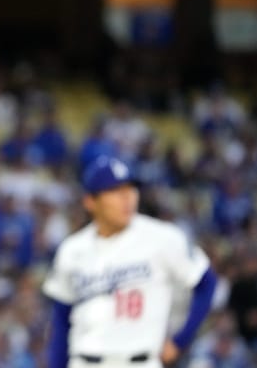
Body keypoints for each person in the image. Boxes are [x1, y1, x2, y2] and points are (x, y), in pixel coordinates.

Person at [43, 156, 217, 368]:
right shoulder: (71, 250)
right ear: (90, 201)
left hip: (140, 361)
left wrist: (180, 341)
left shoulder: (162, 238)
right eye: (115, 191)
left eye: (130, 188)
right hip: (85, 361)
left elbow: (207, 283)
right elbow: (61, 321)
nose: (127, 197)